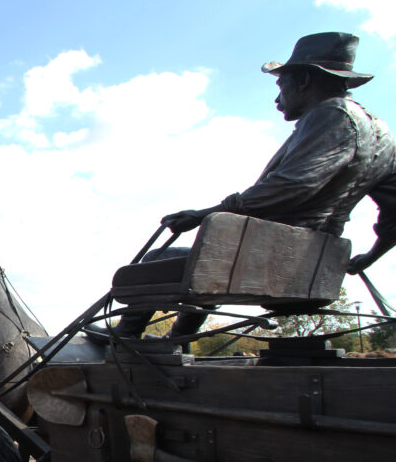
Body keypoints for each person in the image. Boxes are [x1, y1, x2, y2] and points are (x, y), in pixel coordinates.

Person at [93, 32, 396, 342]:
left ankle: (125, 337)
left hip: (280, 257)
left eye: (281, 86)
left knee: (158, 260)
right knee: (208, 260)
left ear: (303, 80)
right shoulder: (381, 133)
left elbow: (292, 186)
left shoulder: (330, 116)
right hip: (313, 262)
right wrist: (370, 256)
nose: (277, 99)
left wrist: (204, 214)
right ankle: (177, 339)